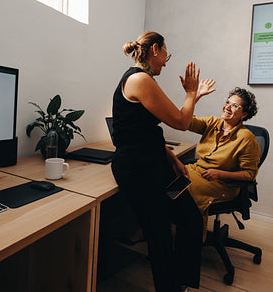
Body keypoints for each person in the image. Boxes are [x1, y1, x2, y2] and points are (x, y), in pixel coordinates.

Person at [111, 31, 215, 292]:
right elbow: (181, 122)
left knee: (190, 218)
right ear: (155, 49)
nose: (167, 62)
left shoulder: (145, 80)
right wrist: (191, 92)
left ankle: (181, 283)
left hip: (156, 164)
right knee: (159, 235)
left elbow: (146, 130)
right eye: (166, 55)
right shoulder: (139, 80)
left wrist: (172, 158)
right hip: (138, 170)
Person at [184, 87, 260, 239]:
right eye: (227, 102)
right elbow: (183, 121)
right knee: (166, 178)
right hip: (197, 172)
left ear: (244, 114)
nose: (227, 107)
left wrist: (219, 173)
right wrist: (195, 96)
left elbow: (249, 175)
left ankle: (192, 237)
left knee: (182, 192)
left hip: (222, 183)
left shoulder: (246, 138)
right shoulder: (212, 123)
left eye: (235, 105)